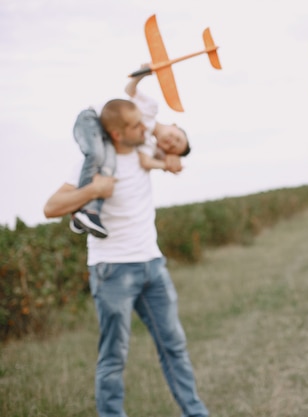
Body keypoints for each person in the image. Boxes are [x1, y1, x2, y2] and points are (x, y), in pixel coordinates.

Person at [43, 98, 209, 417]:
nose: (145, 128)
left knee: (174, 347)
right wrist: (92, 191)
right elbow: (51, 207)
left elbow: (172, 148)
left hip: (153, 266)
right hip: (112, 271)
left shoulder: (144, 151)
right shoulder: (92, 164)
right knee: (114, 356)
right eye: (136, 125)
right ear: (118, 134)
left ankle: (196, 413)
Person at [70, 69, 190, 239]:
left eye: (173, 148)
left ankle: (87, 213)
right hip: (93, 120)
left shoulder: (144, 142)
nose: (172, 143)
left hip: (107, 136)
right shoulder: (150, 108)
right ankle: (80, 209)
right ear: (175, 125)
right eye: (177, 138)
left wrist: (169, 163)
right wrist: (142, 75)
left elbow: (146, 162)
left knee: (108, 165)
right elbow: (130, 90)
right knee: (96, 155)